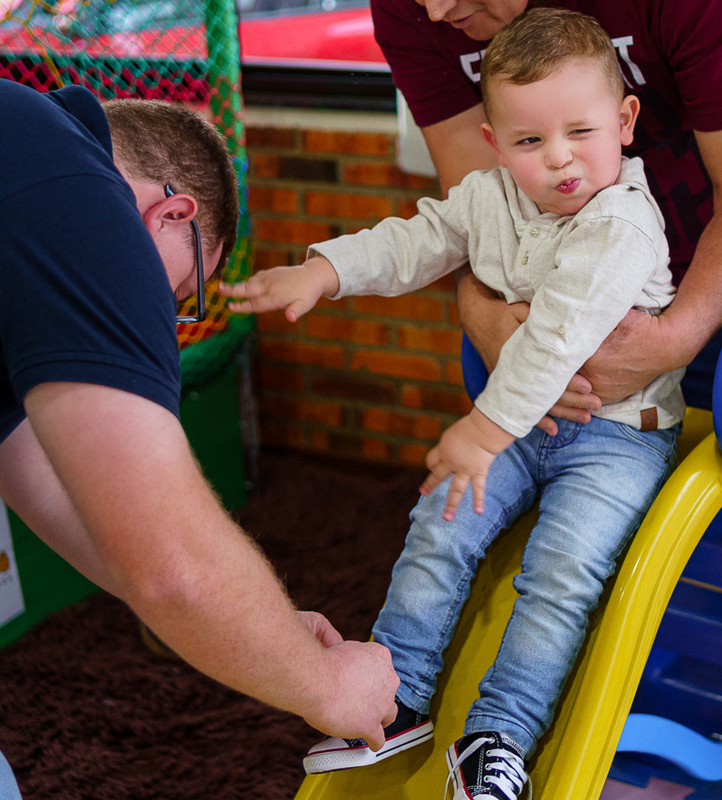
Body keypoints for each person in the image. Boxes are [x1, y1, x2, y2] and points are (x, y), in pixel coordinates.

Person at [0, 53, 397, 799]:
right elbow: (169, 561)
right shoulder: (81, 202)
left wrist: (268, 632)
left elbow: (58, 487)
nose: (167, 316)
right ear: (173, 215)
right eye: (182, 294)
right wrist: (325, 683)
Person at [222, 10, 682, 798]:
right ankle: (397, 692)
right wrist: (322, 273)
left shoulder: (622, 221)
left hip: (617, 438)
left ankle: (500, 734)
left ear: (625, 121)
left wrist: (482, 430)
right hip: (523, 426)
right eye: (531, 140)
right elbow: (414, 240)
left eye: (581, 131)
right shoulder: (491, 197)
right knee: (441, 522)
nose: (560, 158)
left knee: (561, 572)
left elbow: (556, 337)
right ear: (496, 143)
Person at [372, 0, 722, 416]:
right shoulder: (406, 10)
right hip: (544, 306)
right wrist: (479, 311)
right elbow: (476, 213)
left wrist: (674, 338)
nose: (435, 11)